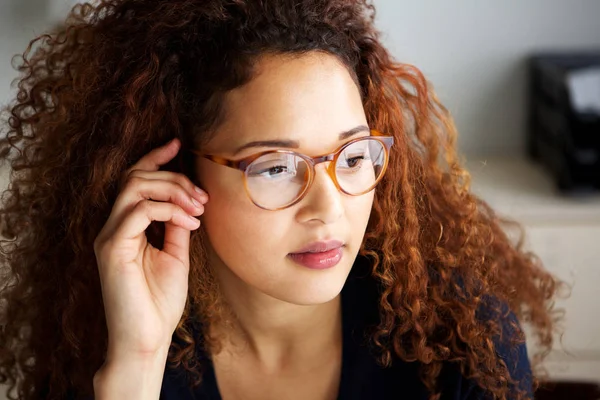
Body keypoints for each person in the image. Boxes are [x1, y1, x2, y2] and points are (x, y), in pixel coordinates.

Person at [0, 0, 563, 399]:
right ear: (178, 177)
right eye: (275, 167)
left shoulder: (462, 345)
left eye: (352, 157)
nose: (328, 208)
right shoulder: (118, 343)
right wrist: (137, 368)